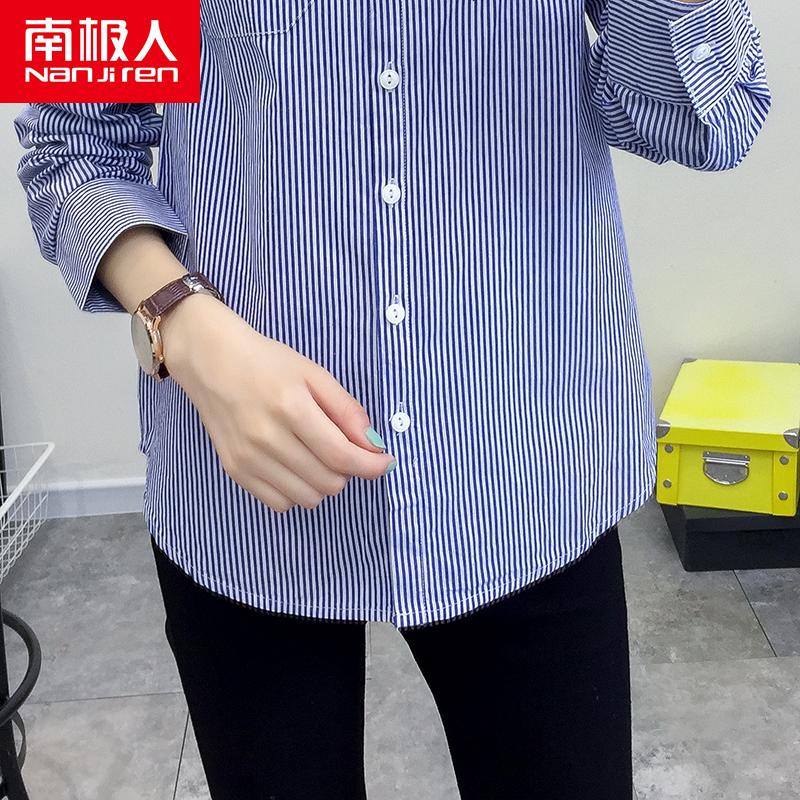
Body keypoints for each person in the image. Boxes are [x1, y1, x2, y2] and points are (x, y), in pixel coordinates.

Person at [13, 1, 771, 798]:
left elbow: (709, 121)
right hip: (242, 487)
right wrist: (183, 321)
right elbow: (70, 143)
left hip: (526, 463)